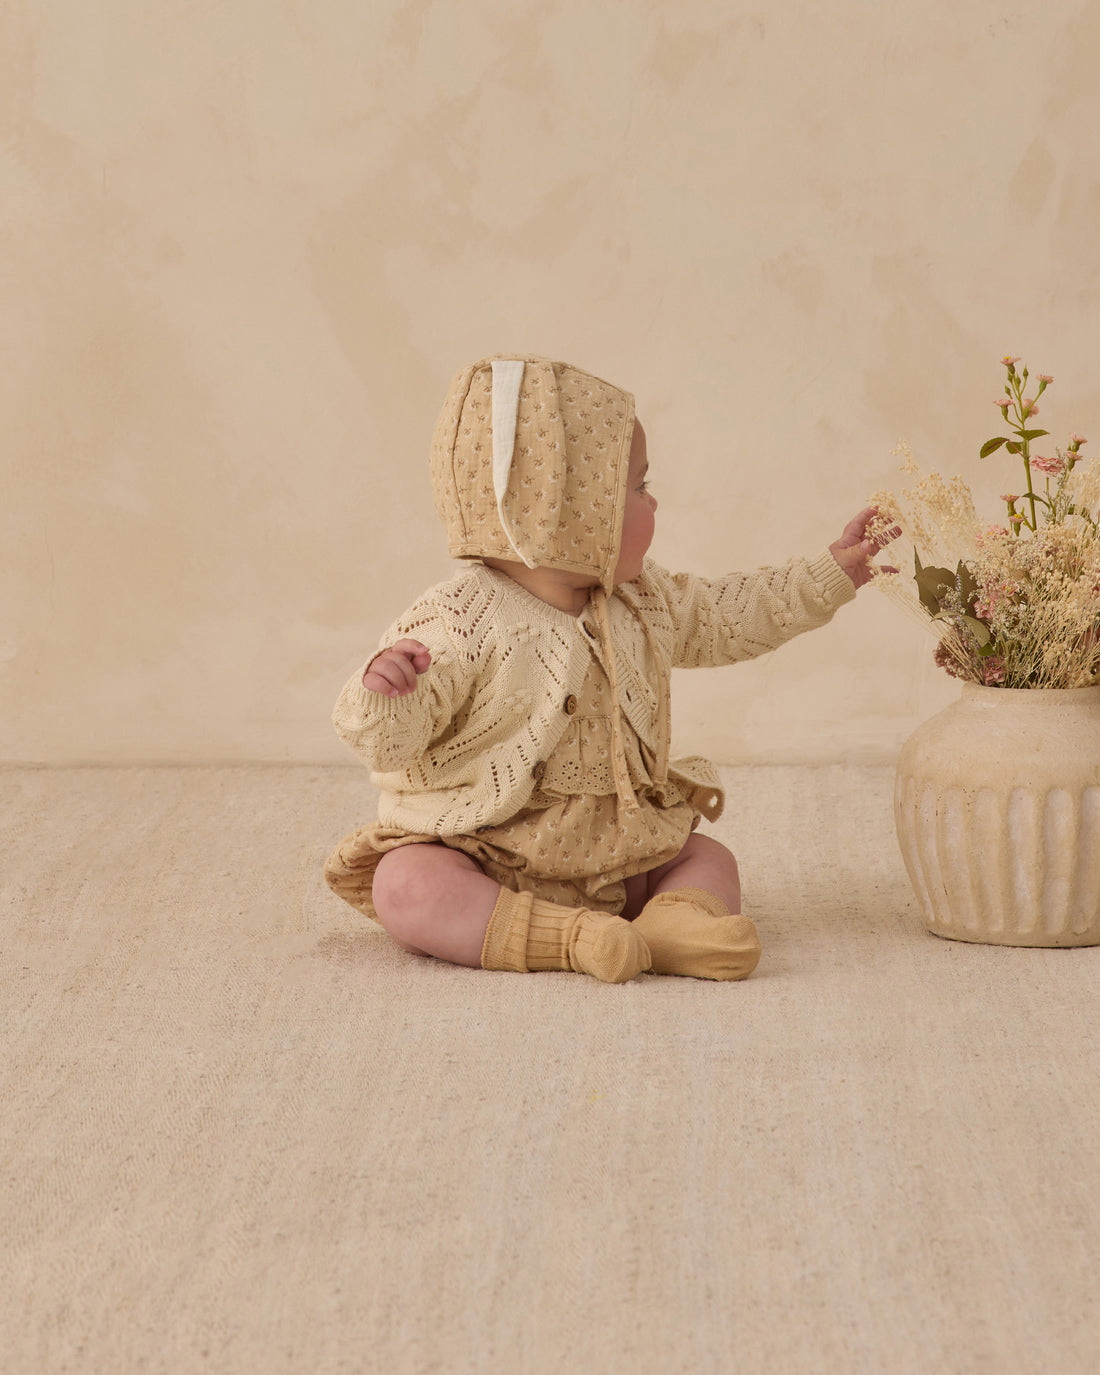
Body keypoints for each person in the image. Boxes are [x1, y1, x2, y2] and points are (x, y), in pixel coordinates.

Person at [324, 354, 890, 983]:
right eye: (640, 488)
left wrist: (832, 573)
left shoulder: (645, 601)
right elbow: (391, 743)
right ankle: (568, 940)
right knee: (406, 886)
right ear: (568, 515)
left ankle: (674, 923)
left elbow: (733, 615)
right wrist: (387, 694)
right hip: (484, 850)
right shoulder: (459, 620)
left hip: (618, 852)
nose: (656, 502)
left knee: (708, 858)